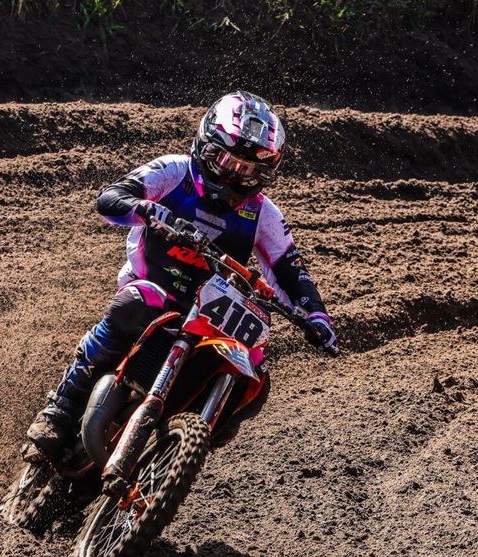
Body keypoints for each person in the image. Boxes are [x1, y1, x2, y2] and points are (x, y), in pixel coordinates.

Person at [26, 91, 337, 464]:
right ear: (206, 146)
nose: (235, 175)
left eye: (249, 170)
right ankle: (60, 409)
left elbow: (291, 270)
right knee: (134, 305)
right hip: (153, 290)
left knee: (255, 374)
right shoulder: (174, 172)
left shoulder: (263, 214)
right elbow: (111, 198)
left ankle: (176, 453)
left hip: (210, 315)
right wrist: (147, 210)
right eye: (227, 161)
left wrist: (316, 316)